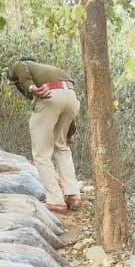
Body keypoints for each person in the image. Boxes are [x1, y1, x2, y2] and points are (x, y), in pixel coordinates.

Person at [6, 57, 82, 214]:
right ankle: (74, 196)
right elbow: (66, 104)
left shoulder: (23, 65)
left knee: (41, 154)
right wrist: (69, 133)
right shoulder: (50, 70)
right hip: (71, 97)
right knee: (61, 147)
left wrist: (31, 87)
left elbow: (19, 68)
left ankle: (55, 200)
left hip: (49, 97)